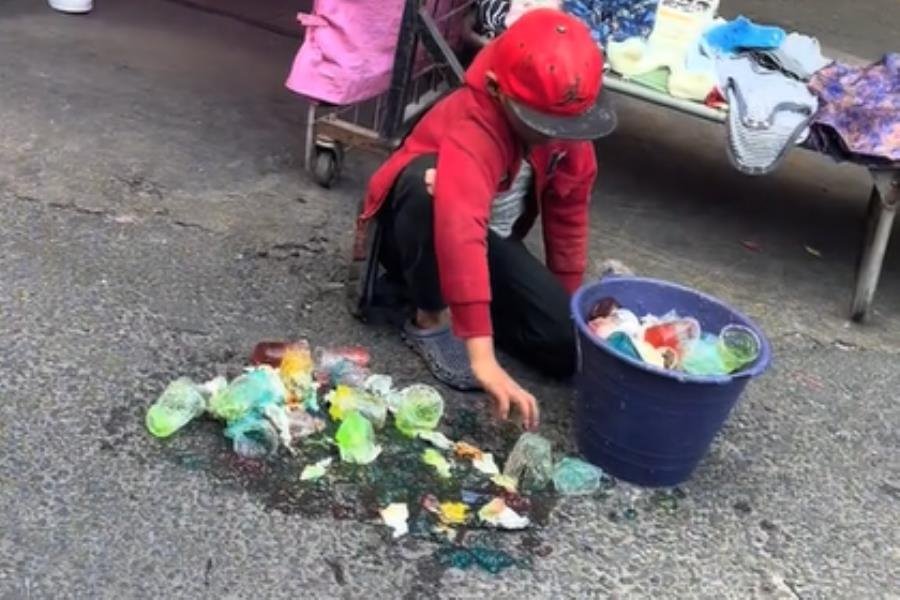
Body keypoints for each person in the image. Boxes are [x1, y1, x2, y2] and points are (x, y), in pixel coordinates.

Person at [350, 8, 616, 430]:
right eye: (541, 124)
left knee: (565, 348)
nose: (554, 136)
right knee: (429, 189)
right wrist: (482, 356)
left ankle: (471, 307)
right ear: (496, 90)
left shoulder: (568, 132)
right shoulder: (475, 120)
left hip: (491, 242)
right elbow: (459, 227)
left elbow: (568, 219)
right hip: (422, 231)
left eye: (564, 126)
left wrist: (567, 306)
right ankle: (430, 317)